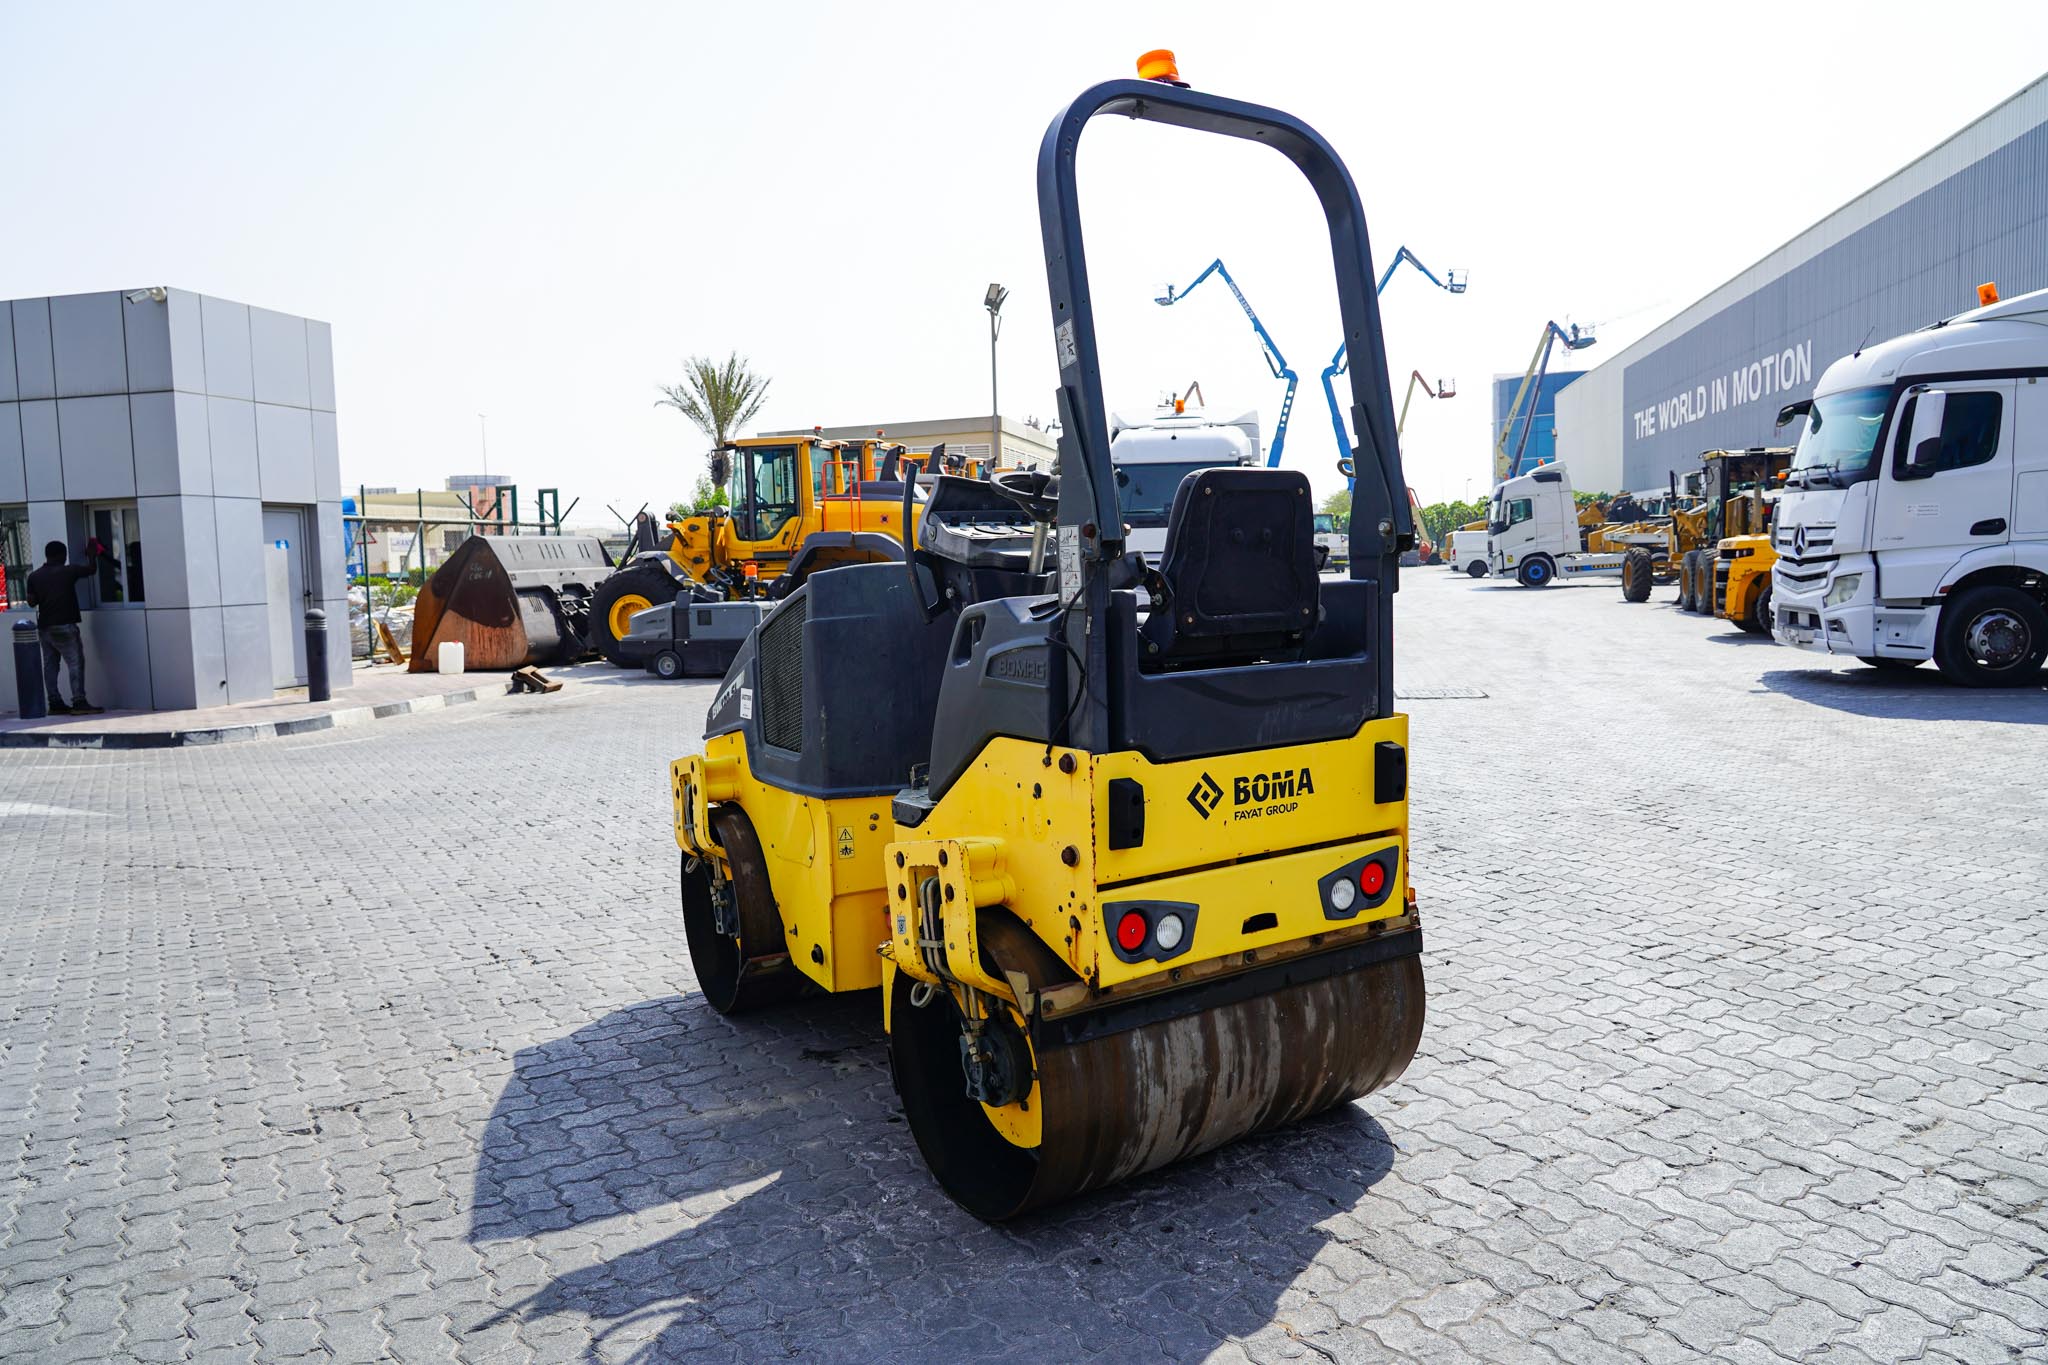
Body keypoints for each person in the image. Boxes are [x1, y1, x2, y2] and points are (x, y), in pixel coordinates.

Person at [24, 540, 104, 715]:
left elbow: (31, 602)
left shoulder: (34, 576)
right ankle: (79, 702)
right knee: (75, 662)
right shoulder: (69, 571)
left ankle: (55, 703)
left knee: (50, 666)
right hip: (65, 626)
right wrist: (92, 555)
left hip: (45, 627)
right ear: (61, 555)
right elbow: (91, 570)